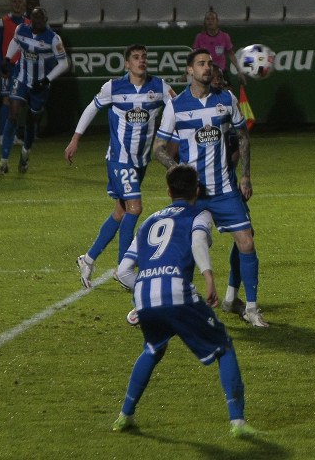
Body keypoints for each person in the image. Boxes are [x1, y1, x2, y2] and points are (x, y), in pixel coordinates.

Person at [110, 163, 259, 439]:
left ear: (168, 191)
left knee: (153, 349)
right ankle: (237, 423)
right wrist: (209, 277)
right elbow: (198, 241)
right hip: (178, 293)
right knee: (224, 347)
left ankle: (124, 416)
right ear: (197, 190)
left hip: (145, 297)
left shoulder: (148, 222)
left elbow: (122, 272)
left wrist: (145, 290)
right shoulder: (199, 213)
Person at [153, 48, 268, 327]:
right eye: (201, 64)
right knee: (178, 250)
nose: (208, 68)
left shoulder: (226, 99)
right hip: (193, 196)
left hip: (225, 189)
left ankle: (250, 308)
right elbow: (158, 148)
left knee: (247, 242)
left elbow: (242, 137)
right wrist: (176, 170)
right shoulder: (176, 105)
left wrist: (245, 177)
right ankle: (157, 302)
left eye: (210, 63)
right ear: (189, 71)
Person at [65, 44, 175, 288]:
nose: (141, 61)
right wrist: (75, 139)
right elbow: (91, 108)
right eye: (136, 57)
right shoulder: (113, 87)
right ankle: (124, 269)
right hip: (118, 158)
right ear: (127, 63)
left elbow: (178, 106)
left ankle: (88, 259)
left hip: (141, 161)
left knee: (121, 212)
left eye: (144, 57)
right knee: (135, 208)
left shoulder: (160, 87)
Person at [0, 7, 68, 175]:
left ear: (46, 19)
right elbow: (15, 42)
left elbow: (64, 63)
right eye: (35, 19)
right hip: (20, 79)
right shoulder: (21, 30)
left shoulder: (53, 39)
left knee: (31, 121)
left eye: (41, 19)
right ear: (31, 20)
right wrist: (7, 58)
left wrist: (46, 80)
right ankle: (3, 162)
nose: (38, 22)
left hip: (40, 85)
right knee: (13, 115)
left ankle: (25, 154)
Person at [0, 0, 29, 146]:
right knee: (7, 100)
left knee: (17, 102)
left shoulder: (28, 22)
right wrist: (2, 65)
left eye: (20, 1)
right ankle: (2, 135)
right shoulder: (2, 22)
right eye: (14, 1)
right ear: (10, 3)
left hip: (23, 67)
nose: (17, 4)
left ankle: (12, 135)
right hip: (8, 67)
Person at [193, 10, 243, 86]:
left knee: (228, 94)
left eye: (212, 19)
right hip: (206, 73)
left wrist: (239, 71)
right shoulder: (200, 37)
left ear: (217, 21)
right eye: (208, 19)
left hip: (221, 72)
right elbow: (194, 56)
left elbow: (231, 54)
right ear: (205, 22)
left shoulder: (224, 36)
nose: (210, 22)